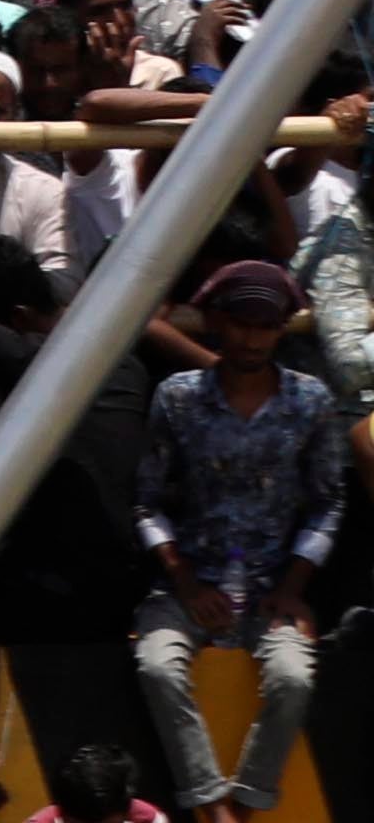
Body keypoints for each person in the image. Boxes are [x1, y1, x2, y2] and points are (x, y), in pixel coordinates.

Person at [129, 252, 337, 821]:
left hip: (272, 587)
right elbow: (146, 503)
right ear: (217, 322)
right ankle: (209, 802)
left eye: (266, 326)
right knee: (156, 666)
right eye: (242, 323)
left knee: (294, 677)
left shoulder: (309, 402)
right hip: (188, 587)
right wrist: (186, 581)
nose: (253, 338)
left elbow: (327, 504)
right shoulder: (177, 398)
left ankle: (245, 804)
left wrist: (294, 588)